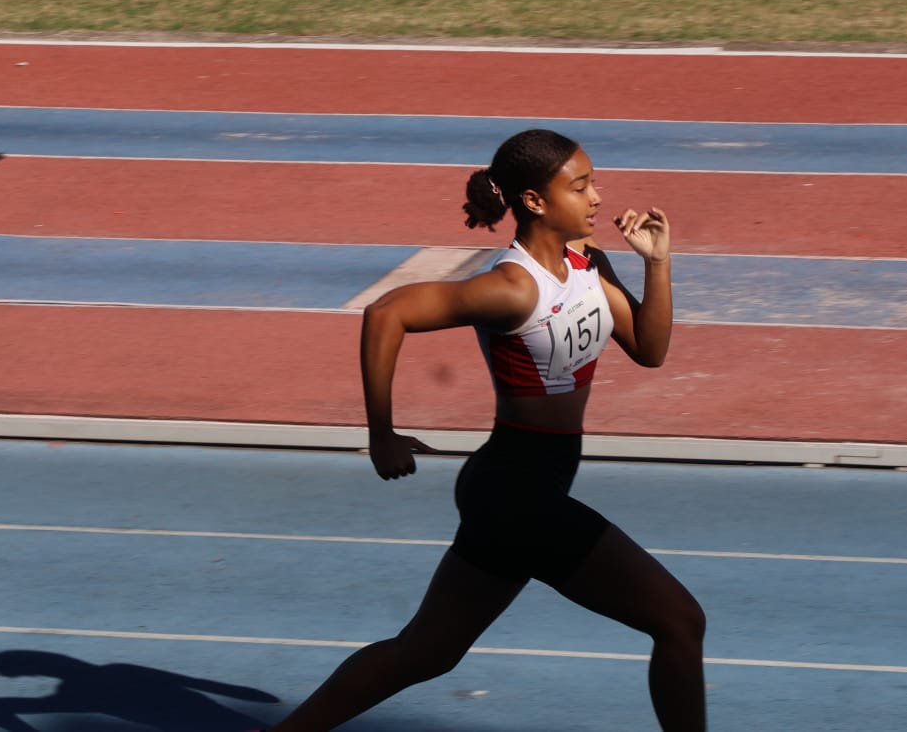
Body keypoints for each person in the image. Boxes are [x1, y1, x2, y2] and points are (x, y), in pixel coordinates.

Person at [262, 128, 706, 731]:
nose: (597, 197)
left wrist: (657, 264)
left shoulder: (589, 263)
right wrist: (381, 434)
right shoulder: (512, 287)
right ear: (535, 202)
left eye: (594, 181)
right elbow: (385, 313)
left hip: (519, 490)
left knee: (427, 652)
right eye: (579, 187)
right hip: (517, 491)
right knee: (679, 620)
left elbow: (650, 349)